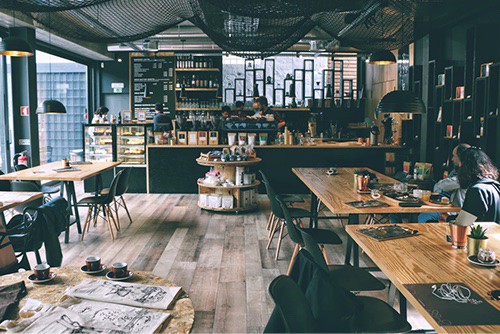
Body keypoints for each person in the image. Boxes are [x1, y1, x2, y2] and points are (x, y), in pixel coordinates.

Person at [418, 143, 470, 223]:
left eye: (454, 156)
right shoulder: (456, 172)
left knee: (423, 217)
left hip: (455, 212)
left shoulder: (465, 176)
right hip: (448, 207)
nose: (452, 159)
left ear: (461, 158)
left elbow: (440, 186)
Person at [458, 147, 499, 223]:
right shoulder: (495, 186)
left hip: (482, 234)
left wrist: (448, 219)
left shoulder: (476, 190)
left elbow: (464, 223)